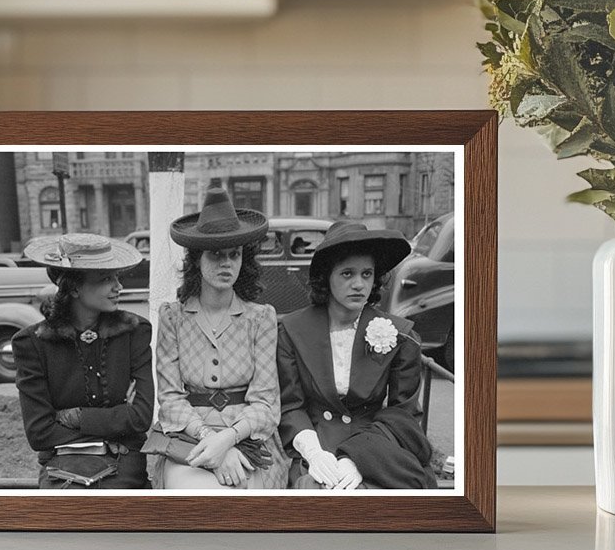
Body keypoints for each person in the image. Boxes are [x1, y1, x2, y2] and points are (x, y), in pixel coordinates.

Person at [277, 220, 438, 490]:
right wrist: (314, 453)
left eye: (367, 274)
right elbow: (291, 406)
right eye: (347, 274)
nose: (358, 284)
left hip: (375, 447)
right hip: (315, 445)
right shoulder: (292, 330)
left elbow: (403, 415)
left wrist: (357, 459)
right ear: (327, 277)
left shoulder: (399, 334)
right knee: (313, 492)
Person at [151, 179, 290, 490]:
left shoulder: (260, 318)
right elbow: (170, 399)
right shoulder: (173, 317)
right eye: (216, 255)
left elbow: (267, 403)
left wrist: (228, 439)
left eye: (234, 254)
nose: (227, 263)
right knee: (196, 498)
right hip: (190, 437)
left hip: (249, 437)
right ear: (196, 260)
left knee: (246, 504)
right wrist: (210, 441)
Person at [11, 232, 153, 489]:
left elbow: (141, 417)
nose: (118, 286)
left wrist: (76, 417)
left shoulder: (134, 332)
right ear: (74, 287)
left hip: (123, 460)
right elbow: (39, 433)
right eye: (105, 278)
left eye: (117, 277)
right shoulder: (33, 343)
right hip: (62, 466)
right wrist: (117, 417)